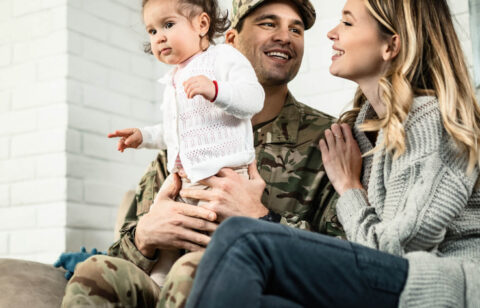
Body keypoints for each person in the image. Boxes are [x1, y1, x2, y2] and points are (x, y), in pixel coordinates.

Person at [186, 0, 480, 307]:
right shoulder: (360, 134)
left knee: (243, 239)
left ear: (391, 45)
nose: (330, 33)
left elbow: (390, 255)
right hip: (395, 287)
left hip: (442, 288)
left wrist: (349, 189)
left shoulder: (430, 122)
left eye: (348, 23)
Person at [61, 0, 344, 306]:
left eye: (296, 29)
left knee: (193, 271)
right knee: (95, 273)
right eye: (268, 23)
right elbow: (122, 252)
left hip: (252, 289)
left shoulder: (328, 140)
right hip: (163, 284)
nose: (285, 37)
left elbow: (347, 266)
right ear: (232, 40)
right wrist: (145, 237)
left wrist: (262, 219)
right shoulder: (185, 138)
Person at [107, 0, 265, 287]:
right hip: (184, 180)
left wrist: (215, 90)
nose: (159, 37)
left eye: (168, 25)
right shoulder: (174, 77)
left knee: (208, 242)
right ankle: (158, 286)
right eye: (152, 31)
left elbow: (253, 100)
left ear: (202, 25)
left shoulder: (223, 58)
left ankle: (207, 283)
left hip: (223, 179)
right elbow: (174, 132)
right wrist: (144, 137)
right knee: (168, 238)